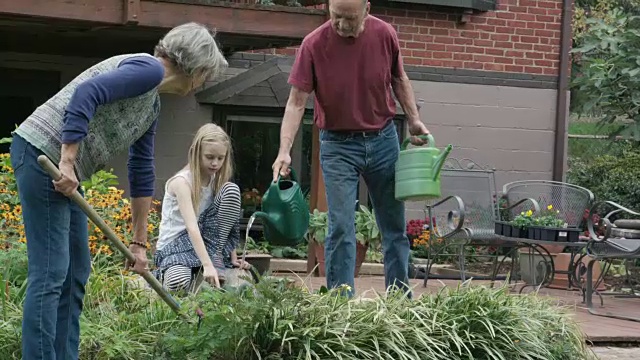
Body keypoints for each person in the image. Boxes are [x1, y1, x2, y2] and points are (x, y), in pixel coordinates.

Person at [9, 22, 227, 360]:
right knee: (52, 271)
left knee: (76, 272)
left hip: (67, 173)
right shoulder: (147, 69)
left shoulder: (151, 104)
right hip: (43, 158)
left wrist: (139, 244)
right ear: (196, 69)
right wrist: (67, 162)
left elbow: (141, 171)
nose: (203, 82)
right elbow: (86, 94)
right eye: (206, 75)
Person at [271, 0, 430, 297]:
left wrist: (414, 119)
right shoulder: (313, 44)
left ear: (367, 10)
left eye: (350, 19)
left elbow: (399, 78)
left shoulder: (385, 35)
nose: (342, 25)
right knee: (341, 227)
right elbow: (295, 102)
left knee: (393, 226)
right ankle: (340, 305)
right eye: (336, 17)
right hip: (337, 145)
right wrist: (284, 149)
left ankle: (400, 301)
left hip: (383, 140)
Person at [152, 123, 250, 293]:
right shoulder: (181, 183)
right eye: (210, 157)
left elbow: (225, 222)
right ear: (196, 153)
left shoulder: (215, 180)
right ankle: (173, 272)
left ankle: (217, 257)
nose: (215, 163)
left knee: (231, 190)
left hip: (207, 244)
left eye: (220, 158)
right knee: (177, 283)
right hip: (176, 246)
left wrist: (232, 257)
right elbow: (192, 227)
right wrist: (207, 265)